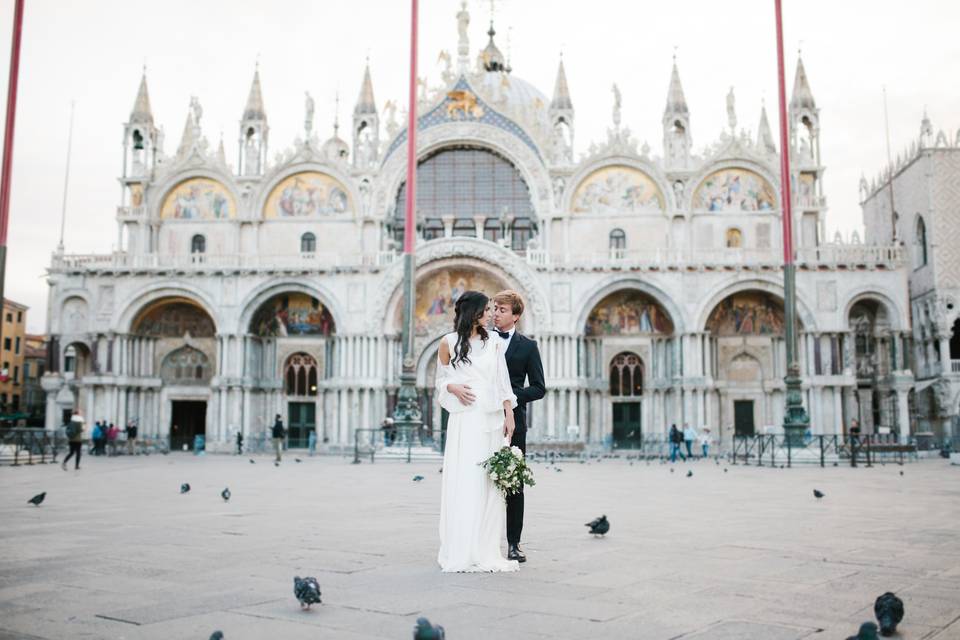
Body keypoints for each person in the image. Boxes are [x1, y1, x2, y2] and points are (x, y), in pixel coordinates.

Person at [436, 290, 520, 573]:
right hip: (464, 419)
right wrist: (452, 387)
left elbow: (502, 380)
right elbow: (440, 381)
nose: (491, 315)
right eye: (486, 311)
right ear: (473, 313)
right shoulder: (447, 343)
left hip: (490, 418)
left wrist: (509, 413)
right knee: (465, 479)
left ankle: (485, 548)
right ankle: (461, 547)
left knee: (487, 482)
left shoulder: (494, 342)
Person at [491, 289, 545, 564]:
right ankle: (481, 541)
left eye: (501, 309)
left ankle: (514, 543)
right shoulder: (481, 342)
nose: (495, 314)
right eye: (494, 308)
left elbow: (538, 388)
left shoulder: (528, 346)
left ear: (516, 315)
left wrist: (512, 397)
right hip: (483, 420)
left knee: (514, 484)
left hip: (514, 422)